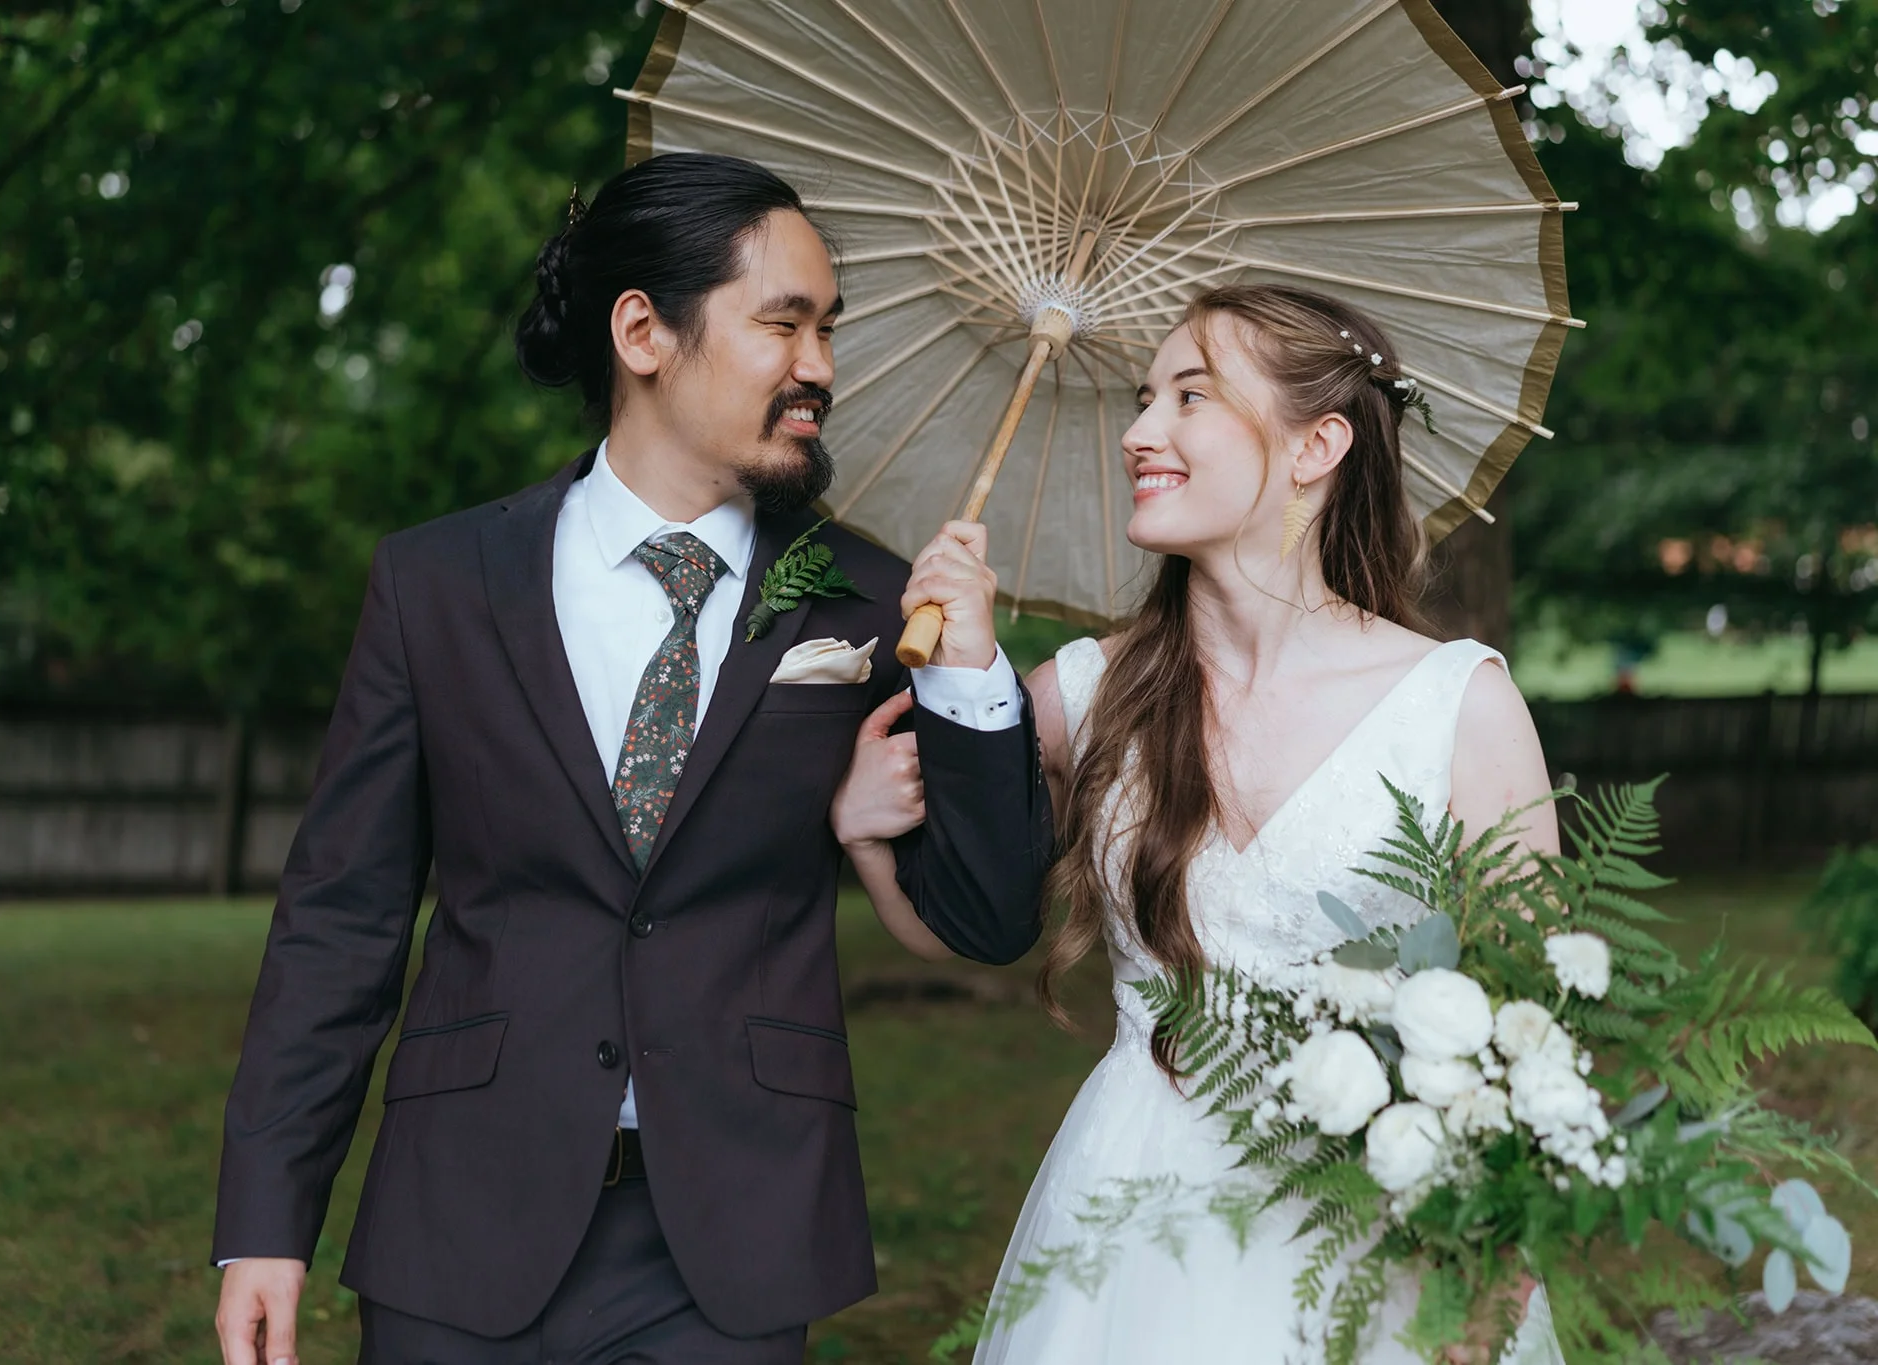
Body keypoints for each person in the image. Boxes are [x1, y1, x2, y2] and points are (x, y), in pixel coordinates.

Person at [210, 152, 1053, 1365]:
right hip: (462, 1223)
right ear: (642, 331)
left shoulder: (871, 603)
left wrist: (967, 676)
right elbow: (340, 920)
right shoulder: (437, 585)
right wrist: (263, 1226)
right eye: (783, 324)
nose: (819, 365)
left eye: (828, 329)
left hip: (733, 1241)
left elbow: (988, 914)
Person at [837, 283, 1567, 1363]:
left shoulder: (1456, 704)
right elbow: (970, 918)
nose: (1138, 433)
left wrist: (1491, 1278)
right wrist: (864, 832)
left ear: (1317, 444)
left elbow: (1531, 1025)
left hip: (1381, 1224)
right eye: (1142, 400)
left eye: (1189, 398)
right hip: (1133, 1215)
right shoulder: (1083, 692)